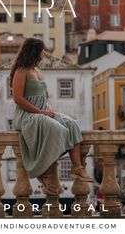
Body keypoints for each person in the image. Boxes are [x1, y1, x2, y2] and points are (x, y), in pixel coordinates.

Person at [10, 38, 93, 196]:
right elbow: (18, 99)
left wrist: (51, 111)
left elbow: (45, 97)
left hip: (42, 112)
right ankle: (45, 172)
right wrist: (41, 113)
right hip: (27, 115)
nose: (45, 53)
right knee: (58, 129)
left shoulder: (37, 71)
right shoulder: (21, 70)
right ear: (34, 51)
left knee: (72, 124)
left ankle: (78, 168)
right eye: (42, 50)